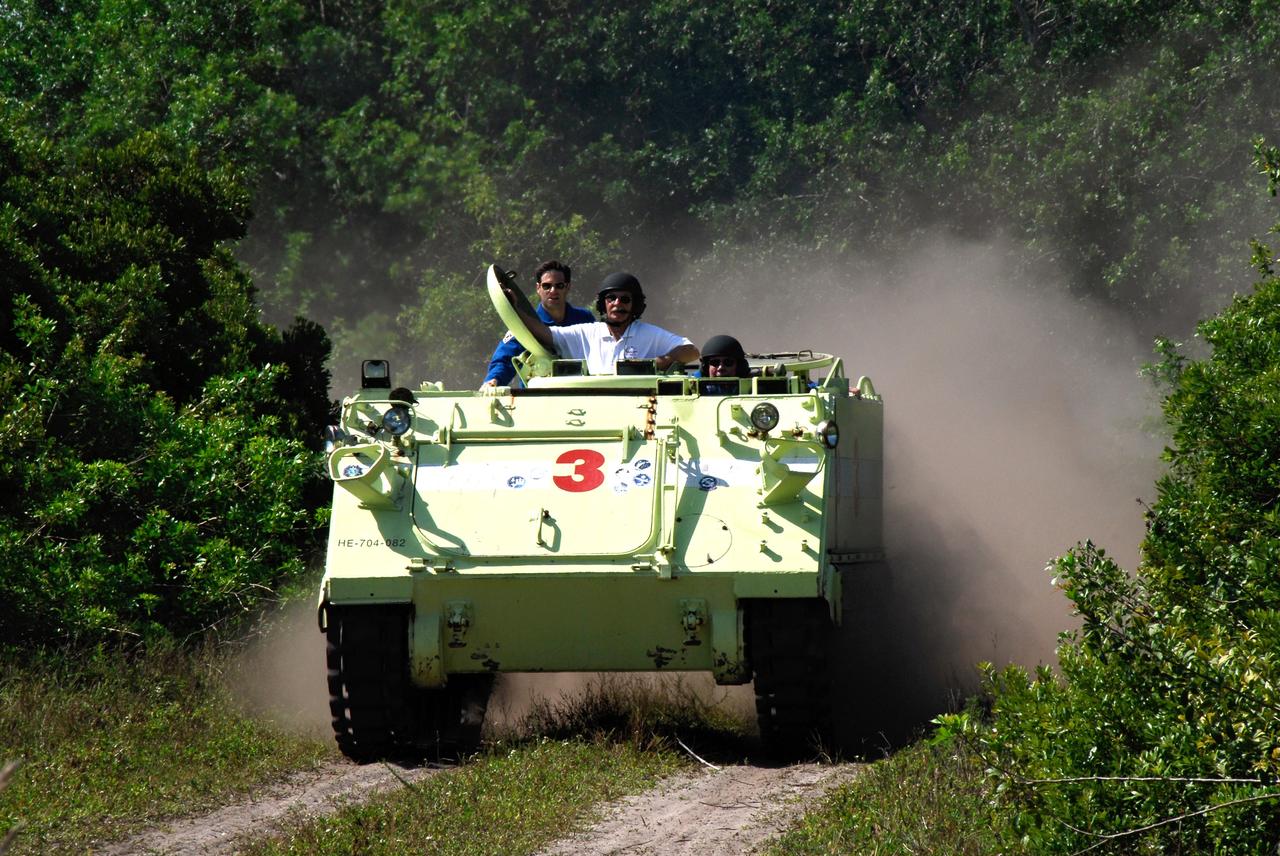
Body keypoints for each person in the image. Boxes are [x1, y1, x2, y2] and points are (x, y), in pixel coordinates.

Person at [498, 271, 699, 375]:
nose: (617, 304)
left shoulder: (648, 334)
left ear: (635, 304)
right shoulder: (587, 334)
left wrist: (663, 360)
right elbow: (543, 333)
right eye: (611, 298)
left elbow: (691, 351)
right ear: (603, 303)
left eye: (625, 299)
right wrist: (515, 309)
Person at [481, 260, 595, 388]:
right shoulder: (524, 323)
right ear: (538, 288)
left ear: (568, 287)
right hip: (537, 399)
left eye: (559, 286)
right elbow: (504, 360)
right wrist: (494, 379)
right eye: (547, 286)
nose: (553, 291)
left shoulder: (585, 318)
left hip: (581, 397)